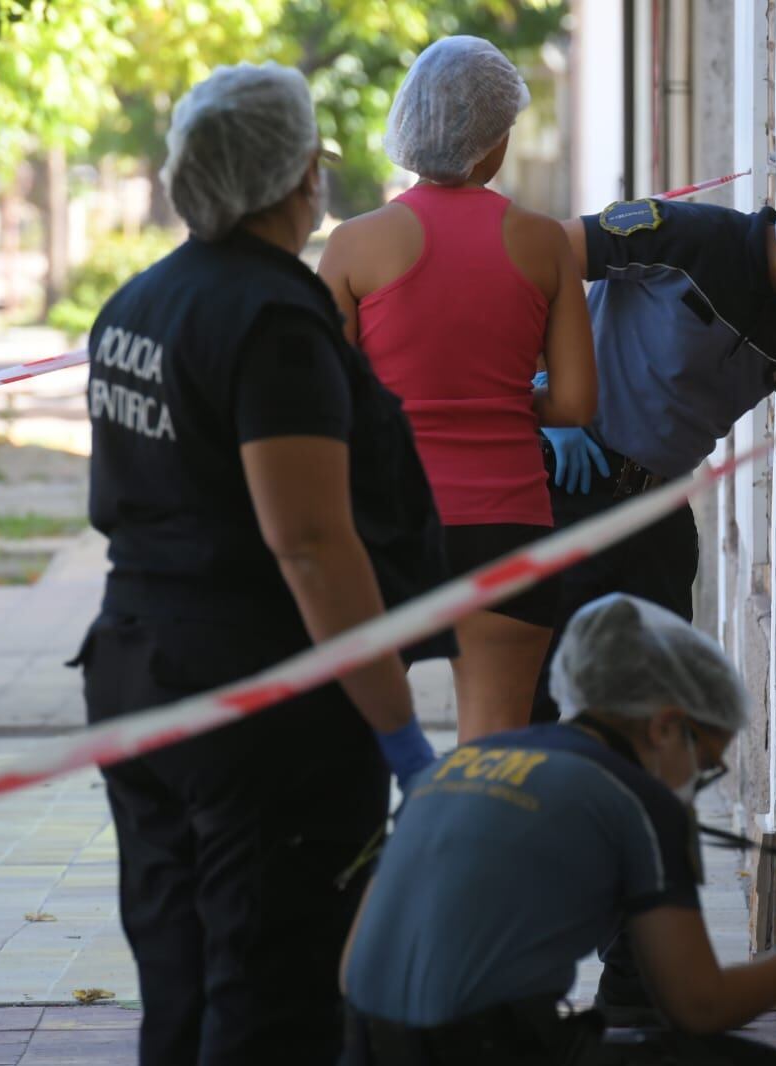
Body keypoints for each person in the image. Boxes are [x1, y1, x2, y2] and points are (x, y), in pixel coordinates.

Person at [75, 63, 455, 1066]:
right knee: (271, 994)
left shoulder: (137, 305)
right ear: (299, 178)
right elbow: (310, 544)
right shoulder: (274, 322)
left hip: (140, 676)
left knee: (182, 974)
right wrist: (398, 730)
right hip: (256, 703)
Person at [339, 593, 776, 1066]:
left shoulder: (462, 762)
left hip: (357, 1041)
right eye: (706, 763)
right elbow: (700, 1005)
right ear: (666, 726)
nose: (697, 783)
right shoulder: (635, 801)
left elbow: (354, 958)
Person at [319, 36, 597, 743]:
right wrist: (502, 402)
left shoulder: (353, 245)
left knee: (359, 744)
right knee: (497, 748)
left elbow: (327, 401)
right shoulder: (544, 243)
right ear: (494, 141)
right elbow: (573, 405)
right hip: (507, 523)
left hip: (386, 525)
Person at [532, 184, 776, 727]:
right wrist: (543, 381)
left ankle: (634, 808)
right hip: (570, 483)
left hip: (656, 507)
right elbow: (545, 257)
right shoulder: (690, 236)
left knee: (655, 696)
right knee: (539, 684)